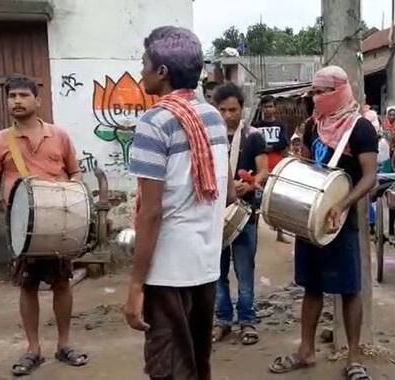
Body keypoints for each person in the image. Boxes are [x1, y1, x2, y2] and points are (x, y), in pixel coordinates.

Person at [123, 27, 233, 380]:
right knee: (198, 362)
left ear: (162, 72)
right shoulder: (213, 117)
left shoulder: (154, 123)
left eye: (145, 63)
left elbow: (151, 212)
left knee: (168, 367)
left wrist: (136, 285)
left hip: (169, 270)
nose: (141, 70)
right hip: (205, 264)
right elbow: (224, 190)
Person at [0, 76, 88, 376]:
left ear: (37, 100)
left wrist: (73, 202)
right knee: (28, 284)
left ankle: (64, 344)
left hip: (59, 223)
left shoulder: (59, 136)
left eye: (23, 95)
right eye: (12, 96)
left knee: (62, 283)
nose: (17, 101)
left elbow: (75, 173)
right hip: (21, 226)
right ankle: (33, 349)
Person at [269, 66, 377, 379]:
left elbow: (370, 176)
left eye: (321, 92)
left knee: (349, 288)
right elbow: (304, 166)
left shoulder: (360, 129)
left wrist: (341, 205)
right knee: (312, 286)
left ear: (339, 91)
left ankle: (354, 357)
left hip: (341, 221)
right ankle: (306, 350)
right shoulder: (313, 126)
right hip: (310, 219)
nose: (315, 97)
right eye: (313, 92)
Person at [212, 82, 268, 346]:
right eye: (222, 109)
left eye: (232, 109)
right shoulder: (210, 136)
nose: (227, 115)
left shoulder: (253, 136)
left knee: (244, 270)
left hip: (245, 213)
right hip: (216, 213)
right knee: (217, 272)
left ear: (242, 108)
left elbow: (263, 172)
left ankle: (247, 321)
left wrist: (249, 184)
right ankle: (222, 320)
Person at [254, 95, 290, 243]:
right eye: (266, 106)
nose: (268, 109)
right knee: (256, 199)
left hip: (276, 163)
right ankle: (254, 231)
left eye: (271, 106)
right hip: (260, 164)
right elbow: (253, 143)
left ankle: (280, 233)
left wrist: (269, 147)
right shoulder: (256, 125)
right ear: (261, 108)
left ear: (275, 108)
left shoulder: (280, 125)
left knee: (277, 198)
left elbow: (284, 142)